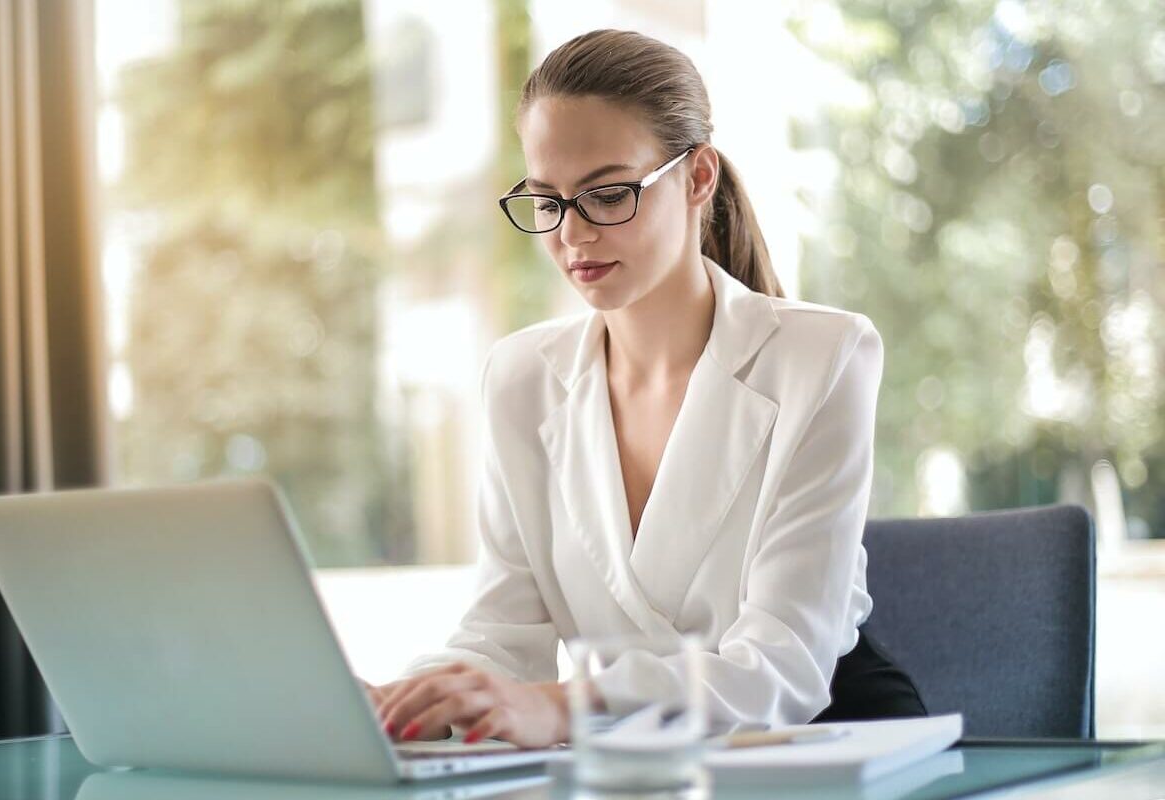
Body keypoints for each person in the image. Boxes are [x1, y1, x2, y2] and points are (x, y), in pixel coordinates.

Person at [367, 29, 926, 748]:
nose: (572, 234)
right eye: (548, 200)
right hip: (634, 759)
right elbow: (501, 636)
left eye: (607, 194)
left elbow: (782, 668)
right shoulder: (521, 378)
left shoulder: (824, 356)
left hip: (821, 743)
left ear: (698, 179)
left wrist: (565, 709)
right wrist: (400, 703)